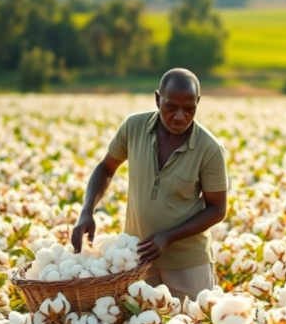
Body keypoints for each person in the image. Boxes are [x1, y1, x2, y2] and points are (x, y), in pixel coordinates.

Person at [72, 68, 228, 301]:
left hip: (188, 264)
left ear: (198, 103)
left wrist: (168, 237)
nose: (179, 116)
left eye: (189, 109)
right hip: (138, 258)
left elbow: (217, 209)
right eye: (170, 107)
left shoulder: (209, 149)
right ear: (157, 99)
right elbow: (106, 168)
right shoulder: (134, 127)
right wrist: (87, 212)